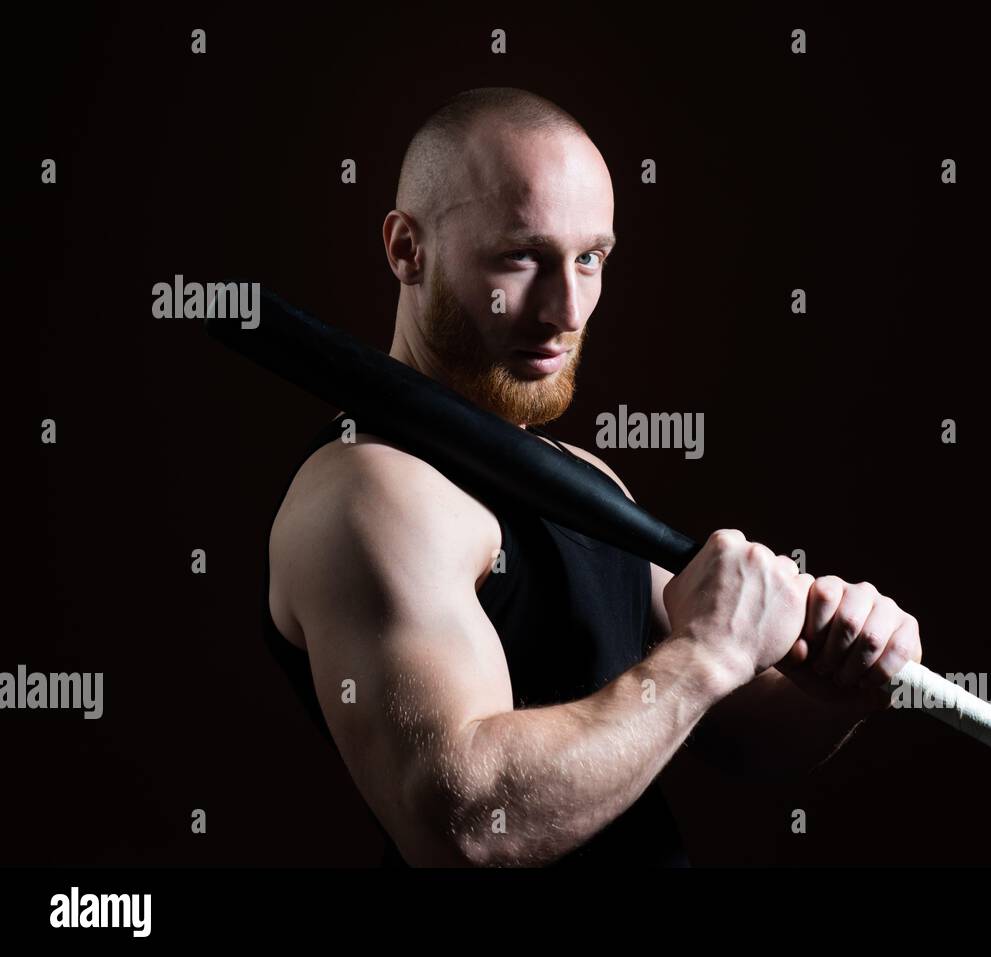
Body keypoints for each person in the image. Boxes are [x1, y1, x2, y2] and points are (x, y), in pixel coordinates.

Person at [263, 87, 922, 867]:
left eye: (589, 258)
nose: (568, 308)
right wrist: (707, 650)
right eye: (521, 256)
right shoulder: (370, 491)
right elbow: (465, 823)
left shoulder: (581, 478)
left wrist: (840, 683)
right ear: (409, 249)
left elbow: (737, 740)